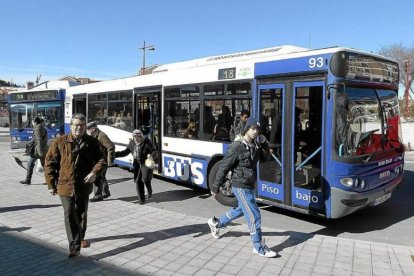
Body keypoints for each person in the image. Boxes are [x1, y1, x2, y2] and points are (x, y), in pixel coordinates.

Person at [208, 117, 277, 258]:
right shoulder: (237, 146)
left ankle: (216, 223)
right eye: (252, 129)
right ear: (246, 129)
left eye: (257, 129)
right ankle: (258, 247)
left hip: (249, 183)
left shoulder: (255, 145)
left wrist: (266, 147)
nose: (255, 132)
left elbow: (264, 159)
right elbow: (223, 167)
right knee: (254, 215)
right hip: (240, 185)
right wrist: (215, 188)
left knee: (241, 209)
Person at [44, 113, 106, 258]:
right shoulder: (60, 141)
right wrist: (50, 184)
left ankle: (80, 237)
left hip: (84, 185)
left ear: (85, 126)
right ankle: (74, 247)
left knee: (82, 213)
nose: (79, 128)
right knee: (70, 213)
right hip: (65, 186)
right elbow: (49, 162)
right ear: (71, 126)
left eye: (81, 125)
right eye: (76, 125)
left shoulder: (92, 142)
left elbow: (102, 160)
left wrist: (94, 173)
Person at [115, 129, 154, 204]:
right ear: (133, 137)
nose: (137, 139)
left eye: (139, 137)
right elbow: (125, 152)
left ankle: (149, 190)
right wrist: (114, 154)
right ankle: (141, 199)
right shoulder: (132, 143)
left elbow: (154, 151)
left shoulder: (147, 143)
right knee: (138, 181)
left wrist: (151, 156)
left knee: (145, 179)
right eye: (135, 137)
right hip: (136, 163)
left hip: (145, 162)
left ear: (141, 136)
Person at [86, 121, 115, 202]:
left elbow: (111, 147)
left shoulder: (102, 136)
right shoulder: (95, 135)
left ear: (93, 128)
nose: (87, 131)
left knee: (96, 176)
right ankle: (106, 192)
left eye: (88, 129)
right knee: (102, 176)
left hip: (103, 160)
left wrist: (110, 161)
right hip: (98, 159)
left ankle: (98, 195)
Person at [19, 117, 48, 185]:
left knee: (30, 164)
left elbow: (39, 140)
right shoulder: (43, 128)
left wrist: (40, 151)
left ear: (35, 122)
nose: (32, 123)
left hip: (37, 151)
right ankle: (49, 180)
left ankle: (28, 180)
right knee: (45, 166)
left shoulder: (37, 128)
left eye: (32, 122)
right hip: (43, 150)